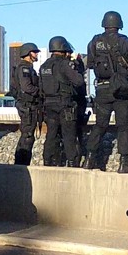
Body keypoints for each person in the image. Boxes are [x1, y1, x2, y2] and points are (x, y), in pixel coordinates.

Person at [84, 11, 128, 173]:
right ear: (119, 25)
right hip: (121, 90)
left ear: (104, 24)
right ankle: (125, 164)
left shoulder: (95, 42)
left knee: (99, 126)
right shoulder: (125, 42)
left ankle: (89, 160)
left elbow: (89, 64)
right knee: (124, 127)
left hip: (102, 89)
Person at [39, 36, 85, 167]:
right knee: (68, 135)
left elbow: (41, 86)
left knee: (51, 134)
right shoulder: (64, 65)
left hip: (48, 104)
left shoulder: (44, 66)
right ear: (63, 48)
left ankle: (47, 161)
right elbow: (79, 81)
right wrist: (77, 67)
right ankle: (72, 162)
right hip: (65, 104)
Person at [12, 42, 41, 165]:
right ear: (29, 54)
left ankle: (21, 163)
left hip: (28, 105)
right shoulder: (24, 68)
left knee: (28, 135)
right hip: (27, 105)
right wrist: (40, 92)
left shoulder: (27, 68)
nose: (36, 54)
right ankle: (21, 164)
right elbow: (27, 87)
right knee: (28, 135)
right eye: (35, 52)